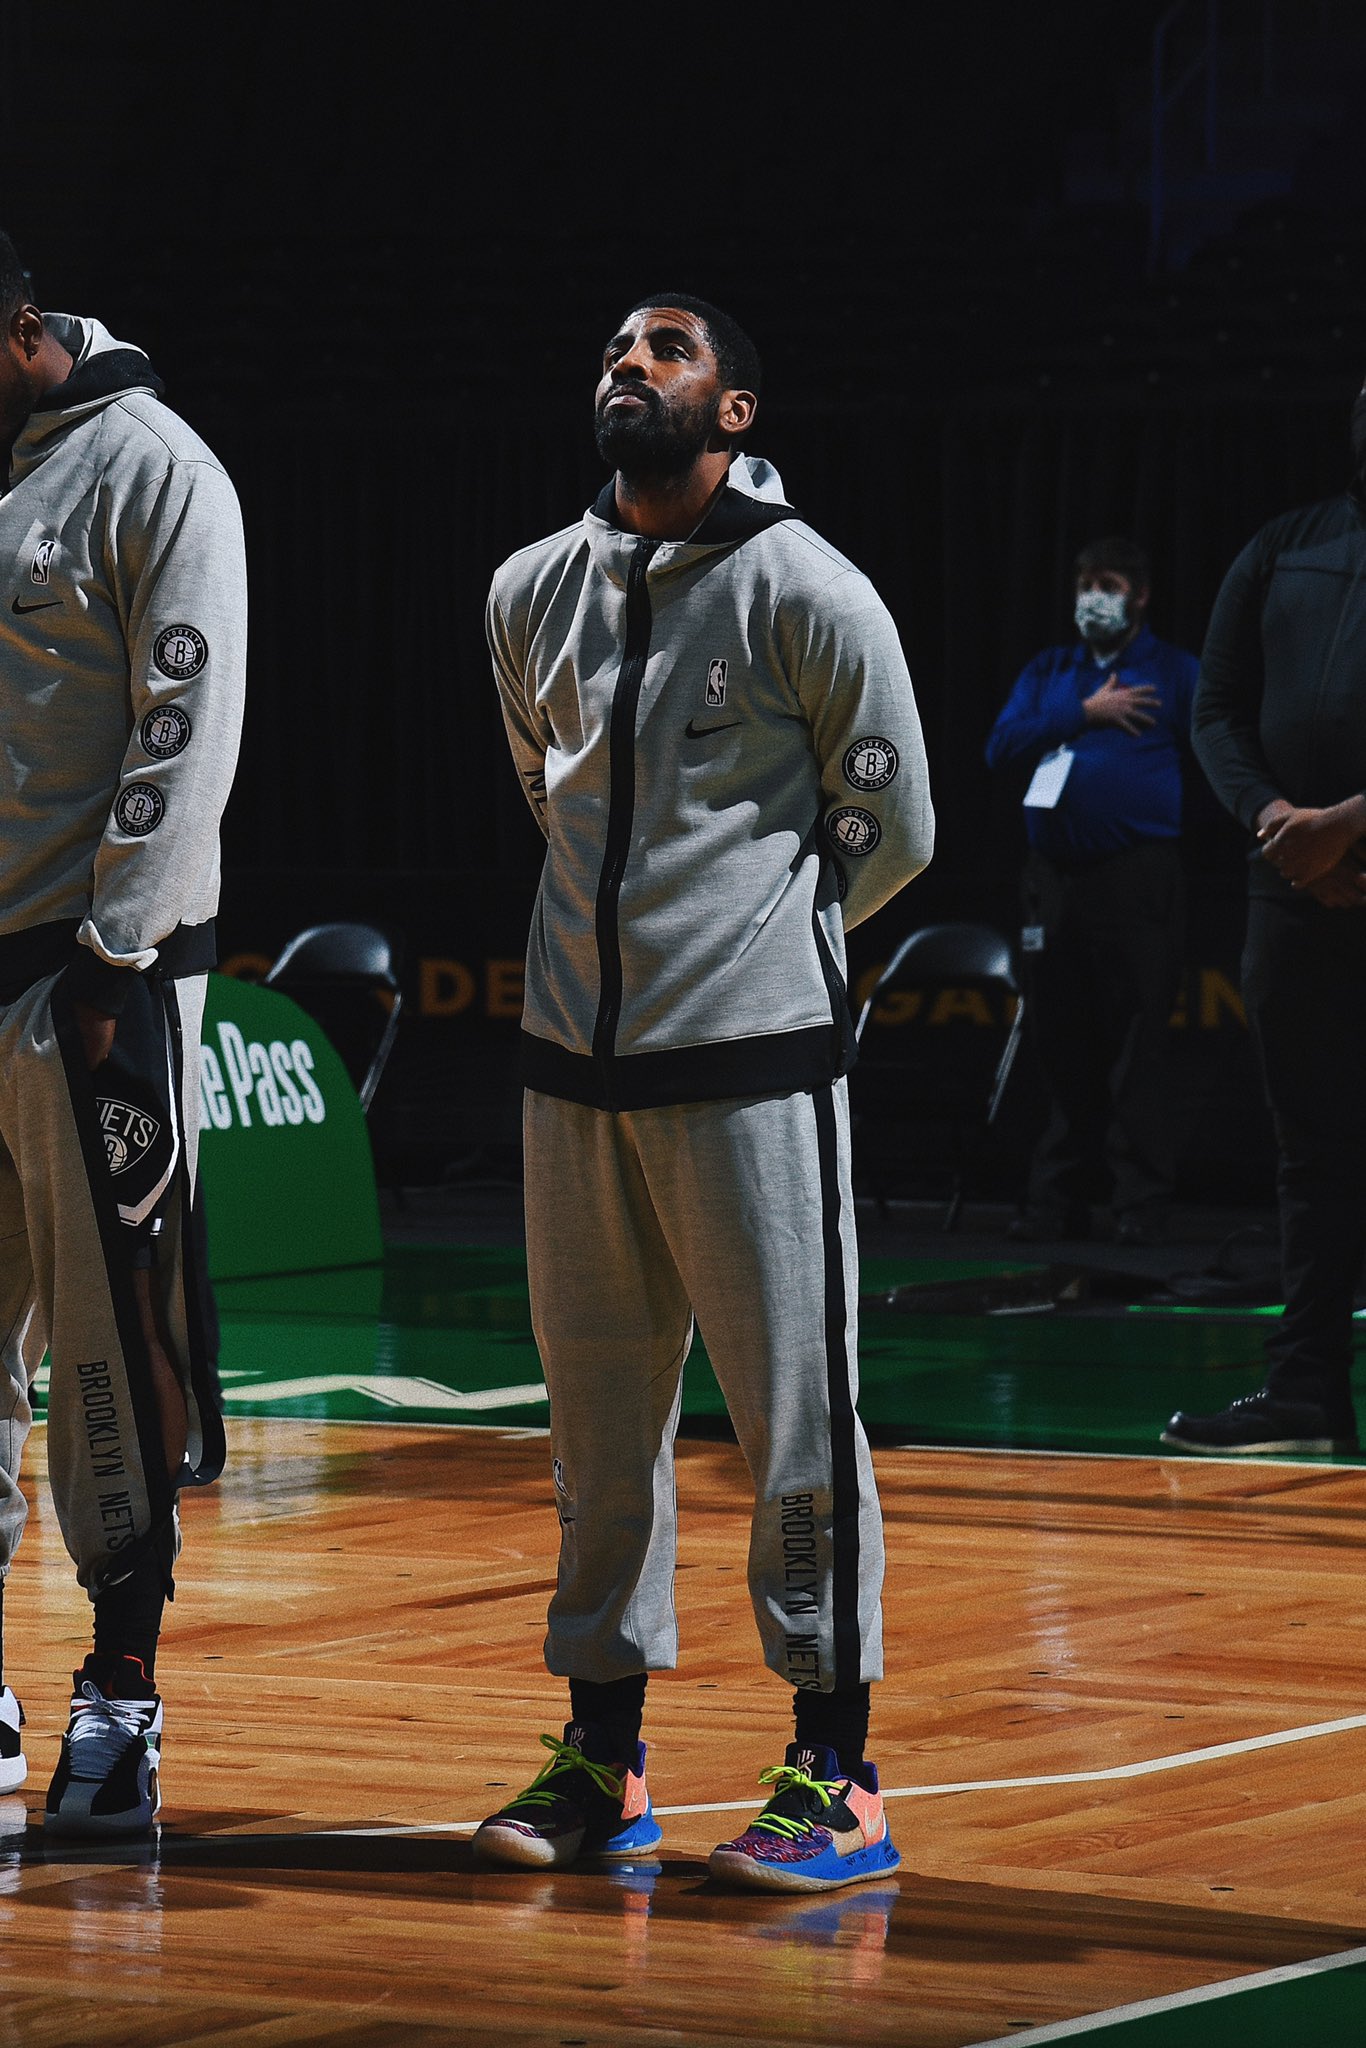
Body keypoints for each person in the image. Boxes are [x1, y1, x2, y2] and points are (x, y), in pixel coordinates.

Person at [476, 293, 933, 1892]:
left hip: (752, 1072)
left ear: (731, 411)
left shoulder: (809, 589)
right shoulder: (528, 587)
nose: (625, 364)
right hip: (569, 1068)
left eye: (664, 351)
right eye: (612, 345)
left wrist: (760, 955)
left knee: (794, 1425)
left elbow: (895, 828)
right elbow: (545, 782)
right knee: (600, 1432)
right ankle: (604, 1755)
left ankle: (837, 1770)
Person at [0, 231, 247, 1833]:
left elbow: (189, 714)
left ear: (21, 332)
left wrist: (116, 953)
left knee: (108, 1350)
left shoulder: (157, 468)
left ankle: (122, 1696)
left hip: (85, 982)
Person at [1163, 382, 1366, 1456]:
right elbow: (1215, 708)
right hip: (1289, 889)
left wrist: (1350, 824)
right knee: (1312, 1150)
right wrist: (1280, 820)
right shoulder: (1284, 544)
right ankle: (1304, 1389)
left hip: (1329, 861)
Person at [984, 538, 1198, 1246]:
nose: (1090, 597)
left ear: (1139, 596)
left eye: (1105, 584)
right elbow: (1001, 748)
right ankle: (1056, 1202)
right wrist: (1084, 713)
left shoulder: (1173, 671)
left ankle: (1141, 1207)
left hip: (1136, 878)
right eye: (1082, 584)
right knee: (1060, 1041)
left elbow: (1218, 747)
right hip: (1053, 883)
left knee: (1138, 1044)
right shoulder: (1054, 671)